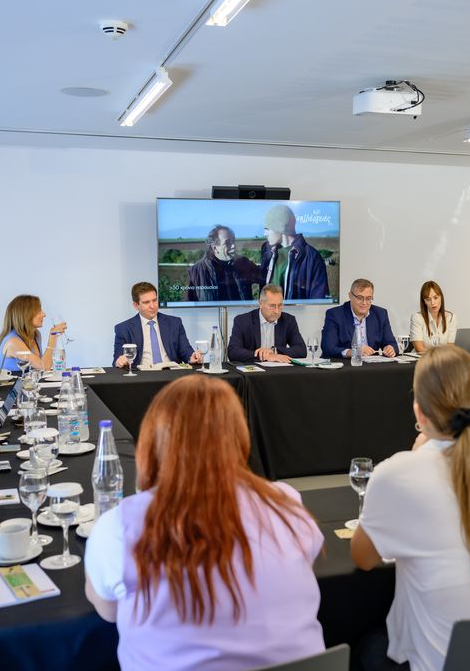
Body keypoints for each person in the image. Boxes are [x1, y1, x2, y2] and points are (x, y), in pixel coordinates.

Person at [84, 376, 325, 671]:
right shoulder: (286, 503)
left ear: (153, 441)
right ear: (238, 436)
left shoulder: (120, 525)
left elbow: (108, 611)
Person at [351, 345, 470, 671]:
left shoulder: (398, 474)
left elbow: (363, 557)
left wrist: (417, 455)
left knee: (367, 648)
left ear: (419, 414)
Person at [113, 282, 202, 367]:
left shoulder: (174, 323)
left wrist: (192, 357)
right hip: (141, 374)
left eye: (154, 300)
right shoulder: (123, 329)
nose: (152, 306)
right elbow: (117, 360)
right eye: (146, 302)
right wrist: (119, 361)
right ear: (136, 305)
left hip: (171, 373)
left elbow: (186, 351)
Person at [259, 204, 329, 300]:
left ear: (280, 227)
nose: (265, 234)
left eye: (267, 229)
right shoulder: (268, 252)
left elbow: (319, 299)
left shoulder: (312, 258)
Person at [227, 284, 307, 363]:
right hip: (253, 369)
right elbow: (233, 352)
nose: (277, 311)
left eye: (280, 306)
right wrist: (264, 355)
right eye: (272, 306)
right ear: (261, 304)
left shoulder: (288, 320)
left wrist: (274, 351)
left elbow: (301, 350)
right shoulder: (242, 321)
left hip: (279, 369)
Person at [321, 278, 398, 359]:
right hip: (345, 363)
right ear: (350, 296)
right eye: (360, 298)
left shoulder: (380, 314)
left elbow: (392, 344)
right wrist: (354, 352)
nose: (364, 303)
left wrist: (390, 349)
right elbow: (328, 348)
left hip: (371, 364)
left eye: (368, 298)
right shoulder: (335, 314)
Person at [187, 225, 260, 302]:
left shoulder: (243, 264)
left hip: (242, 310)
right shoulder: (196, 272)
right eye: (227, 243)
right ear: (215, 248)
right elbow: (187, 305)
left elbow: (265, 278)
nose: (233, 246)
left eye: (233, 241)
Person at [0, 295, 67, 372]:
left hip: (30, 379)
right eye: (39, 311)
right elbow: (44, 367)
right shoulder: (13, 343)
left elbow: (42, 367)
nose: (44, 314)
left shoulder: (36, 335)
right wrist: (53, 337)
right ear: (26, 315)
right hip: (14, 380)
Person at [409, 281, 457, 352]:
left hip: (443, 358)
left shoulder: (451, 317)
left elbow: (450, 347)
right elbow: (419, 349)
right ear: (424, 302)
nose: (433, 303)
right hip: (422, 358)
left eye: (436, 298)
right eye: (428, 299)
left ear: (441, 297)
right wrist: (439, 355)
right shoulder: (417, 318)